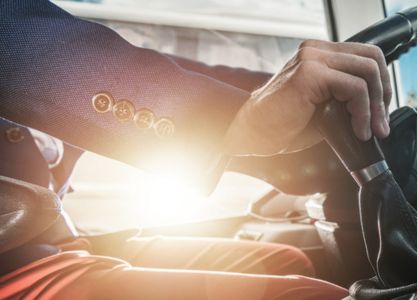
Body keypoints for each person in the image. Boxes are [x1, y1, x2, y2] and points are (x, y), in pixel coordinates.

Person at [0, 0, 392, 299]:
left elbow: (162, 71)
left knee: (287, 261)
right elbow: (21, 41)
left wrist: (283, 95)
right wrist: (234, 120)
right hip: (11, 269)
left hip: (58, 242)